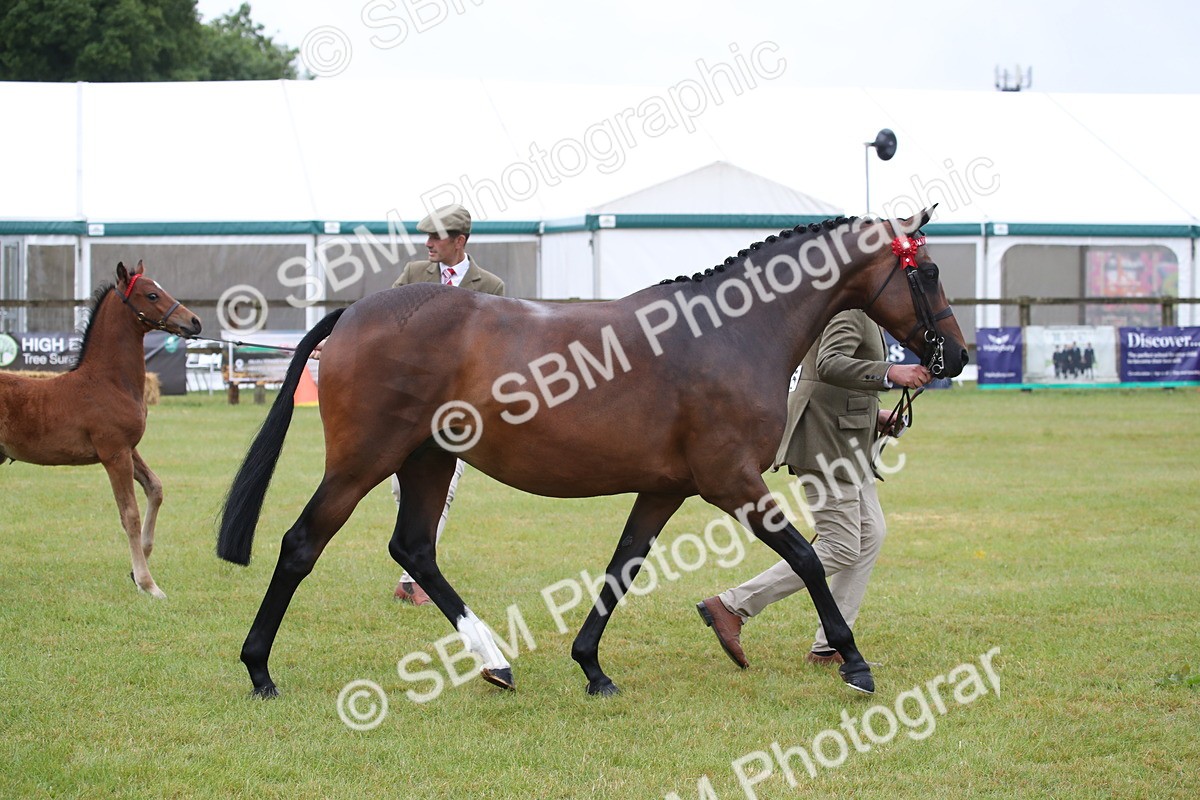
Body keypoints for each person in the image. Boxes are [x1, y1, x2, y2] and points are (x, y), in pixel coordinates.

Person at [696, 310, 930, 667]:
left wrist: (875, 416)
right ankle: (732, 605)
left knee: (870, 534)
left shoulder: (863, 309)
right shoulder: (850, 309)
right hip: (825, 441)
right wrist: (891, 372)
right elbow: (829, 363)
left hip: (848, 436)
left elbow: (833, 377)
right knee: (840, 545)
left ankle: (828, 647)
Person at [391, 203, 505, 605]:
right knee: (402, 489)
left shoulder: (490, 287)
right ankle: (411, 575)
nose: (428, 243)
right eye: (427, 236)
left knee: (443, 487)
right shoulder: (413, 275)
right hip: (411, 401)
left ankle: (415, 577)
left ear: (460, 241)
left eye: (436, 237)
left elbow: (495, 350)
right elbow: (384, 323)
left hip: (458, 407)